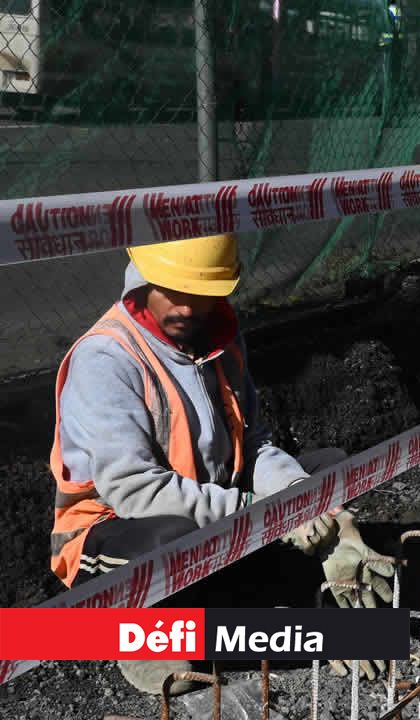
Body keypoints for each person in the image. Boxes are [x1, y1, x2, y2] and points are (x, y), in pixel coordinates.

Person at [50, 234, 394, 692]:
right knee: (170, 537)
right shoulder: (106, 360)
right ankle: (144, 639)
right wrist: (264, 517)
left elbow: (252, 444)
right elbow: (135, 491)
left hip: (215, 508)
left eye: (203, 294)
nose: (189, 308)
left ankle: (268, 587)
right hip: (116, 531)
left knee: (327, 470)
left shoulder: (219, 343)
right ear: (143, 278)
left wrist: (306, 503)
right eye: (174, 290)